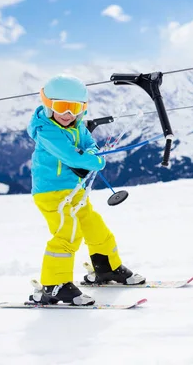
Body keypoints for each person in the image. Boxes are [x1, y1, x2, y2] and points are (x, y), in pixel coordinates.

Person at [26, 74, 145, 306]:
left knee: (95, 227)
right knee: (67, 234)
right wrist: (94, 161)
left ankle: (107, 269)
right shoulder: (46, 130)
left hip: (75, 191)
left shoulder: (77, 126)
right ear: (48, 105)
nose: (68, 114)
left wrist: (91, 153)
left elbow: (90, 145)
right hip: (52, 193)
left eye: (75, 108)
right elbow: (70, 155)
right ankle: (54, 285)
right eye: (62, 107)